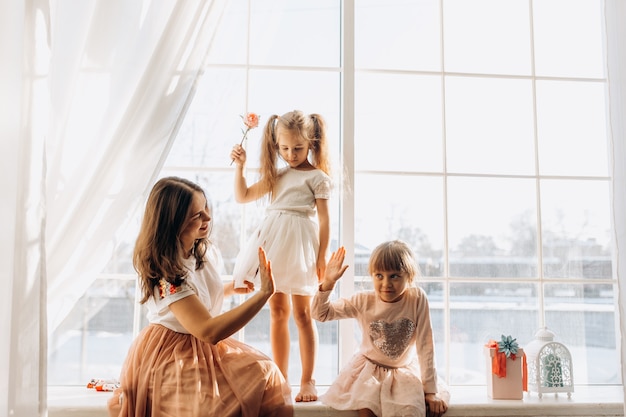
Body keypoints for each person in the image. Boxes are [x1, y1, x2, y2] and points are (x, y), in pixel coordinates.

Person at [107, 176, 293, 417]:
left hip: (200, 347)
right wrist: (264, 294)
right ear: (174, 222)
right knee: (210, 407)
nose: (208, 218)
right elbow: (209, 331)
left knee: (265, 372)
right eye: (198, 215)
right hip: (172, 353)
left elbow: (194, 297)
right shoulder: (167, 276)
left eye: (206, 208)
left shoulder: (199, 251)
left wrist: (228, 289)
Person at [229, 110, 332, 402]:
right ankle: (281, 378)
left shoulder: (317, 178)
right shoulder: (277, 175)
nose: (290, 154)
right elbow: (243, 196)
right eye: (284, 148)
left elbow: (324, 220)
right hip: (272, 243)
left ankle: (308, 380)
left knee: (303, 314)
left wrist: (322, 255)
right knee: (277, 312)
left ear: (311, 143)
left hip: (300, 246)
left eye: (298, 148)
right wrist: (240, 168)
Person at [313, 242, 450, 417]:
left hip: (404, 371)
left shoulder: (416, 298)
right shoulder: (363, 300)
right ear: (371, 275)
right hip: (369, 371)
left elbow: (426, 346)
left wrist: (430, 391)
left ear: (409, 276)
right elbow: (320, 314)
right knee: (367, 408)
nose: (386, 283)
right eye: (379, 275)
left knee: (412, 410)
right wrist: (328, 283)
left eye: (394, 276)